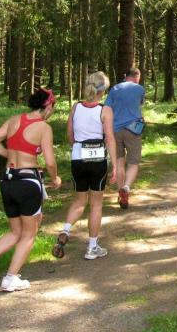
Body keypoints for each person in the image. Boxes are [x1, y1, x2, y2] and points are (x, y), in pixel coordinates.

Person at [0, 88, 61, 292]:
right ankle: (10, 278)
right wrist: (55, 178)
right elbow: (50, 162)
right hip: (28, 182)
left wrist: (11, 155)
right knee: (30, 233)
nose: (52, 112)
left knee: (16, 231)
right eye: (53, 108)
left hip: (7, 181)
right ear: (48, 106)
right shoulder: (43, 127)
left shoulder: (14, 120)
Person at [52, 72, 117, 260]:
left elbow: (70, 135)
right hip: (98, 161)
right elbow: (109, 138)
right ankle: (92, 247)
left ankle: (65, 230)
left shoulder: (76, 107)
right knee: (96, 204)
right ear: (103, 90)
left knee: (80, 200)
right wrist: (115, 165)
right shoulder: (105, 110)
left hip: (78, 159)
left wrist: (78, 147)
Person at [106, 67, 145, 209]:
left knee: (119, 162)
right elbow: (139, 104)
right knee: (133, 162)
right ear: (137, 76)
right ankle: (126, 187)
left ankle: (120, 192)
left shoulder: (114, 89)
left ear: (125, 76)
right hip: (133, 130)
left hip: (115, 130)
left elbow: (107, 108)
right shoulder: (140, 89)